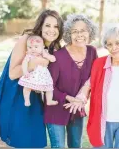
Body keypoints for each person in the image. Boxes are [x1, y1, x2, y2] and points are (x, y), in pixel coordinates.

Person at [71, 24, 119, 148]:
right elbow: (88, 84)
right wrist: (81, 98)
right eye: (109, 44)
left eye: (118, 43)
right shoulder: (99, 64)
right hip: (103, 120)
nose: (114, 48)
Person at [0, 9, 63, 148]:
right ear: (40, 26)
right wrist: (35, 62)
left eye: (56, 26)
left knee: (35, 141)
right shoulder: (27, 39)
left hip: (34, 97)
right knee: (17, 140)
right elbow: (12, 74)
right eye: (47, 25)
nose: (52, 30)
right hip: (14, 94)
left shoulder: (52, 47)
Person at [44, 14, 98, 148]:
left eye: (83, 30)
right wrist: (68, 98)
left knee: (76, 145)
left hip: (77, 109)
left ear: (89, 32)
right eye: (75, 31)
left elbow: (95, 78)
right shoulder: (57, 56)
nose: (79, 34)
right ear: (68, 34)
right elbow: (48, 86)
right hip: (55, 109)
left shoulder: (92, 52)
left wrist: (81, 98)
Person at [18, 35, 57, 106]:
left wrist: (46, 55)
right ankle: (26, 100)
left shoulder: (45, 53)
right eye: (30, 47)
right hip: (32, 74)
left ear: (42, 47)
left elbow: (53, 59)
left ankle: (49, 100)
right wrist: (25, 72)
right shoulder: (29, 55)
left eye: (36, 47)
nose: (33, 49)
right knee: (27, 87)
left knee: (49, 88)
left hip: (43, 75)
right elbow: (24, 63)